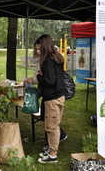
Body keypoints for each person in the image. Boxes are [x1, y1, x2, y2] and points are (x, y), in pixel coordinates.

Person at [26, 34, 65, 163]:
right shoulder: (55, 57)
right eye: (36, 49)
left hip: (53, 98)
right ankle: (52, 148)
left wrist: (39, 76)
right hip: (57, 96)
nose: (37, 51)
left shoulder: (48, 60)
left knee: (52, 128)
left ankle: (53, 156)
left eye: (39, 48)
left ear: (45, 47)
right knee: (53, 125)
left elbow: (49, 80)